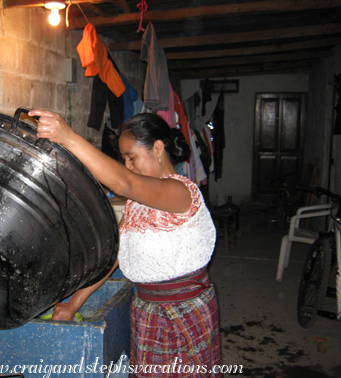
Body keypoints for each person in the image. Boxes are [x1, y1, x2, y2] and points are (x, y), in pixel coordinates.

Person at [29, 109, 220, 378]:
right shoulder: (138, 204)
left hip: (180, 313)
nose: (129, 165)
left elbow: (125, 183)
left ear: (157, 148)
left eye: (132, 157)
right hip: (147, 311)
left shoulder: (181, 192)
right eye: (124, 159)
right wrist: (74, 303)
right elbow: (114, 254)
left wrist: (69, 138)